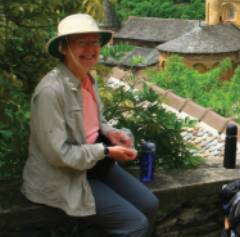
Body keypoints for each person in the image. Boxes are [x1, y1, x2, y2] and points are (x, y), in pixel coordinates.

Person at [22, 13, 159, 236]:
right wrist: (105, 150)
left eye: (94, 42)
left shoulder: (87, 79)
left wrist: (111, 133)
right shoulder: (51, 91)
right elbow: (58, 155)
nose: (90, 49)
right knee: (135, 225)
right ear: (64, 48)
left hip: (93, 166)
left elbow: (94, 122)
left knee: (149, 204)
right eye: (81, 42)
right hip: (62, 176)